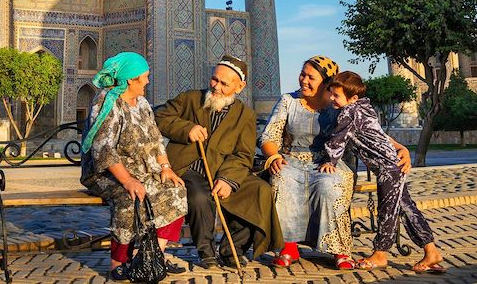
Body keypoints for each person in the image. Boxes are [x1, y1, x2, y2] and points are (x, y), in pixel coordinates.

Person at [259, 56, 412, 269]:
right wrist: (273, 155)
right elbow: (269, 135)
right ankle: (288, 246)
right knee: (284, 180)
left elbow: (368, 129)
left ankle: (338, 248)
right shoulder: (288, 101)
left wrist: (398, 147)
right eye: (303, 74)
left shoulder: (338, 105)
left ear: (326, 83)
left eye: (311, 77)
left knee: (329, 185)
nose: (303, 80)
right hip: (291, 160)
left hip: (328, 161)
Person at [154, 55, 282, 269]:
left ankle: (233, 250)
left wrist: (228, 180)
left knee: (260, 191)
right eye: (215, 80)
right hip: (189, 169)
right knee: (199, 195)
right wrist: (186, 129)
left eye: (224, 83)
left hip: (224, 171)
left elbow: (243, 154)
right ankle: (206, 252)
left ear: (239, 87)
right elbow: (159, 117)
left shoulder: (245, 115)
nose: (216, 87)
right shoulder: (190, 99)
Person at [319, 71, 445, 273]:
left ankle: (380, 254)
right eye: (331, 94)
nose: (332, 99)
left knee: (388, 211)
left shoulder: (348, 113)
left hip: (387, 168)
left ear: (353, 99)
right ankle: (432, 251)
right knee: (405, 208)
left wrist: (330, 160)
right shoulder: (366, 108)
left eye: (336, 96)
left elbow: (338, 138)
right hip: (393, 165)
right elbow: (378, 134)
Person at [80, 52, 189, 281]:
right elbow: (103, 148)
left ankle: (152, 257)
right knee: (130, 198)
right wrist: (127, 180)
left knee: (176, 190)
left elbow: (156, 138)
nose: (148, 81)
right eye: (145, 76)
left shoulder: (142, 103)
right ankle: (118, 263)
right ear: (131, 79)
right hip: (106, 173)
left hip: (142, 170)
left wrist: (166, 167)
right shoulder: (106, 101)